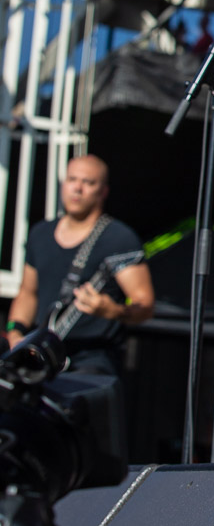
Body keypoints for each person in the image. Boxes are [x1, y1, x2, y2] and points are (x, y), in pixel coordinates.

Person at [6, 154, 155, 378]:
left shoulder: (118, 239)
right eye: (72, 179)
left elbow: (144, 305)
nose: (77, 188)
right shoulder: (41, 233)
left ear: (103, 191)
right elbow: (28, 293)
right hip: (43, 355)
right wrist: (15, 333)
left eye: (88, 182)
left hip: (92, 359)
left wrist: (111, 310)